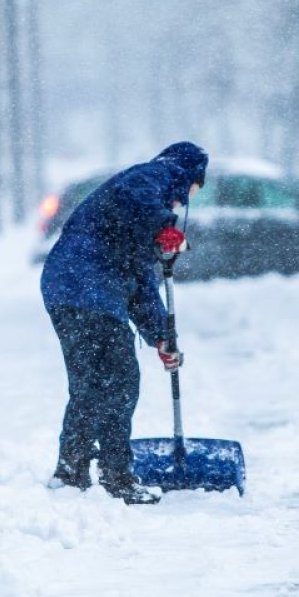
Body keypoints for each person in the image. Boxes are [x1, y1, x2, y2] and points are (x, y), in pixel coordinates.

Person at [39, 142, 208, 505]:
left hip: (67, 287)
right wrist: (165, 225)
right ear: (192, 176)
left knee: (91, 384)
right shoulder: (155, 177)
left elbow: (141, 286)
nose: (185, 203)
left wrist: (161, 336)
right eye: (197, 189)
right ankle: (116, 476)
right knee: (119, 380)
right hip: (86, 287)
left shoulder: (134, 223)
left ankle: (71, 473)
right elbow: (136, 194)